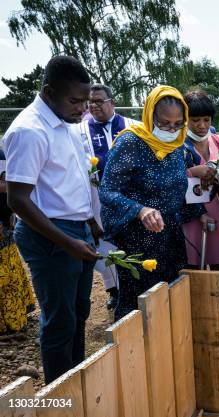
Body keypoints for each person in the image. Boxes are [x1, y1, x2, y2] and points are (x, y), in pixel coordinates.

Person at [5, 55, 99, 383]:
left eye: (86, 102)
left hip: (76, 230)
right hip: (49, 234)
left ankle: (77, 384)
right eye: (75, 101)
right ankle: (60, 397)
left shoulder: (70, 123)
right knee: (59, 321)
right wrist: (68, 242)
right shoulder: (29, 130)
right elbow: (17, 199)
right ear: (48, 91)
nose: (82, 109)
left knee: (78, 314)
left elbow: (72, 177)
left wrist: (89, 221)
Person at [99, 85, 205, 321]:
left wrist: (200, 211)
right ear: (150, 116)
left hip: (169, 236)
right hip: (137, 239)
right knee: (137, 306)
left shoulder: (178, 146)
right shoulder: (131, 143)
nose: (171, 129)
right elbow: (107, 190)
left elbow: (178, 188)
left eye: (178, 123)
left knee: (167, 299)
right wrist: (140, 210)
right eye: (165, 123)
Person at [79, 84, 137, 310]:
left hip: (131, 198)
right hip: (97, 200)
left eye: (99, 101)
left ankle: (133, 288)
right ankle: (114, 291)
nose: (93, 106)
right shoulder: (80, 131)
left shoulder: (133, 127)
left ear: (112, 102)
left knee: (131, 244)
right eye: (90, 102)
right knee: (105, 247)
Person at [182, 90, 219, 276]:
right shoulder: (178, 146)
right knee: (193, 272)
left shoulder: (218, 142)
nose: (201, 125)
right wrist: (191, 172)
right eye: (195, 120)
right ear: (185, 119)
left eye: (206, 119)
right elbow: (170, 180)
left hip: (217, 211)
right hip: (190, 215)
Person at [0, 149, 35, 335]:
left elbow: (8, 186)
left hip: (2, 223)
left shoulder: (1, 155)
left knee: (7, 276)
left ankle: (13, 321)